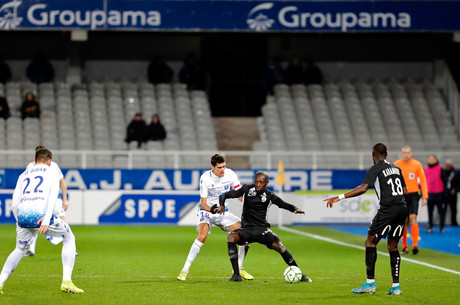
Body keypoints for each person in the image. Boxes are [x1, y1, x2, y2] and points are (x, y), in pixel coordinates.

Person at [324, 143, 408, 295]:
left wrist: (340, 197)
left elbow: (363, 188)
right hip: (402, 208)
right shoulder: (397, 168)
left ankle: (370, 284)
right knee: (393, 246)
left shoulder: (376, 168)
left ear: (373, 154)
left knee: (370, 242)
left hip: (388, 209)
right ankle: (396, 287)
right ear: (387, 154)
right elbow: (404, 191)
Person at [0, 147, 83, 294]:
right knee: (69, 238)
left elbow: (14, 202)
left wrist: (18, 220)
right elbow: (52, 195)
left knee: (19, 249)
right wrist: (46, 220)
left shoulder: (23, 174)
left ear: (34, 160)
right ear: (49, 161)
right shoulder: (52, 171)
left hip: (23, 215)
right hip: (41, 215)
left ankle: (0, 282)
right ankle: (67, 282)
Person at [219, 171, 311, 282]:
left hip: (262, 230)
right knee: (231, 237)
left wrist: (295, 209)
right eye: (256, 181)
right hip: (247, 229)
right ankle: (236, 275)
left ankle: (300, 274)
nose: (258, 184)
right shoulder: (246, 189)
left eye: (261, 182)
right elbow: (224, 195)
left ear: (266, 183)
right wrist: (222, 205)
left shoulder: (269, 196)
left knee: (279, 246)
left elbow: (283, 204)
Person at [177, 154, 253, 281]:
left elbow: (239, 194)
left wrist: (246, 200)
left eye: (224, 166)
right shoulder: (205, 178)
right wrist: (212, 210)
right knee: (202, 236)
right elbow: (203, 204)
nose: (223, 169)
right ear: (212, 167)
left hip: (224, 212)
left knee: (245, 235)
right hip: (207, 212)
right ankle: (184, 271)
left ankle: (239, 268)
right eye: (219, 167)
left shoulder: (230, 174)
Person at [25, 145, 70, 256]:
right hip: (39, 198)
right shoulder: (30, 166)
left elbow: (62, 182)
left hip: (55, 198)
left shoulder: (54, 166)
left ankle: (69, 248)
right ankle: (31, 249)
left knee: (62, 221)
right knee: (35, 223)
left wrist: (65, 199)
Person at [394, 145, 428, 255]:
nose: (406, 155)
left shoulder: (417, 164)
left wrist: (425, 196)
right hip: (401, 195)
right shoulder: (396, 165)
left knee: (413, 217)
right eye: (404, 153)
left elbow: (423, 181)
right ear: (401, 154)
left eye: (408, 153)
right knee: (403, 221)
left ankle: (414, 245)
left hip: (413, 195)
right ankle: (405, 247)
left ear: (411, 153)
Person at [425, 155, 446, 233]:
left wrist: (444, 193)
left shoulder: (440, 169)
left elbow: (445, 181)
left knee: (441, 212)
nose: (430, 160)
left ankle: (441, 227)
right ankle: (430, 226)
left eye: (431, 159)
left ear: (435, 160)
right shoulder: (426, 169)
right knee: (430, 212)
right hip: (429, 194)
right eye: (429, 159)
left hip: (439, 194)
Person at [444, 159, 459, 226]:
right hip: (445, 194)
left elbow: (458, 182)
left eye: (449, 165)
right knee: (444, 209)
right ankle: (442, 222)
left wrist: (455, 189)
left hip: (453, 194)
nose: (447, 167)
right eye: (446, 165)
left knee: (453, 209)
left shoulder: (455, 172)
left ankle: (454, 222)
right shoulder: (444, 172)